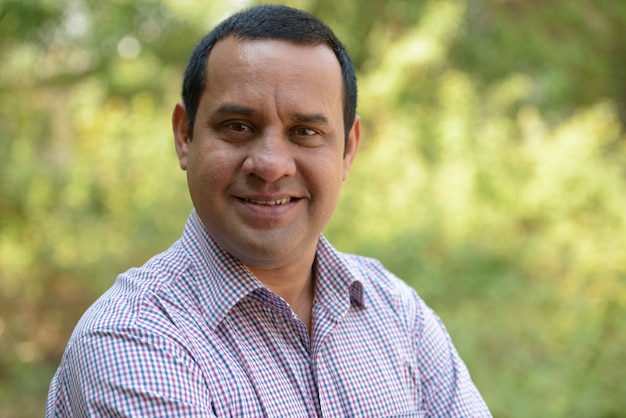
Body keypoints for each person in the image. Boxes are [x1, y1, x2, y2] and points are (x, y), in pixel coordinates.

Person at [46, 5, 491, 417]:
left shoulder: (396, 313)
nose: (271, 165)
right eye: (238, 127)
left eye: (304, 132)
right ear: (185, 136)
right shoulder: (134, 339)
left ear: (348, 150)